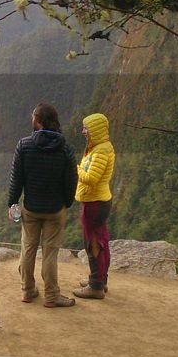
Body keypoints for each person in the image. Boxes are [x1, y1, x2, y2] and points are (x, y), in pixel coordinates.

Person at [6, 102, 78, 308]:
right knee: (50, 253)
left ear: (37, 121)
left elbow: (16, 179)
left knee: (28, 249)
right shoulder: (64, 148)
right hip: (55, 209)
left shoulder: (24, 145)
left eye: (33, 117)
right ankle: (52, 296)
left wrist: (12, 203)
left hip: (31, 208)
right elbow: (71, 179)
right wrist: (66, 202)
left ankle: (27, 291)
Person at [73, 113, 115, 299]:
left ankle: (96, 286)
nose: (83, 132)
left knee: (93, 243)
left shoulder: (100, 152)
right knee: (99, 240)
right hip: (98, 200)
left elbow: (91, 178)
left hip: (95, 202)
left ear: (95, 130)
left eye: (86, 128)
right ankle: (99, 279)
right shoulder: (100, 148)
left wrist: (76, 168)